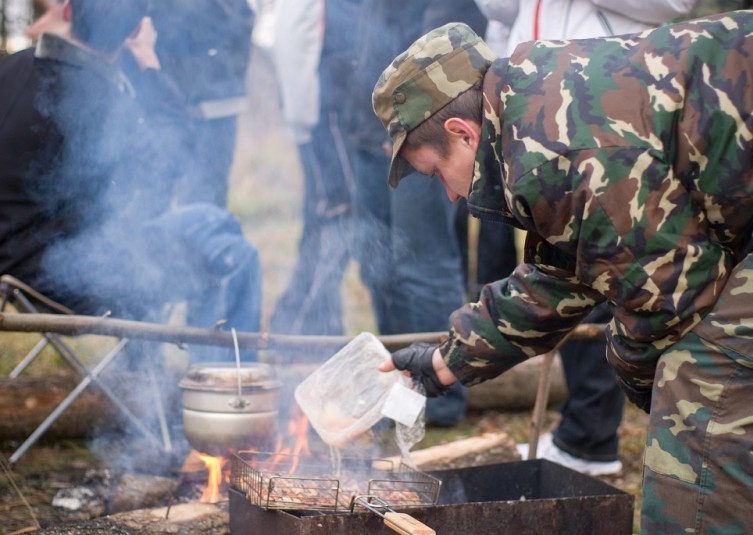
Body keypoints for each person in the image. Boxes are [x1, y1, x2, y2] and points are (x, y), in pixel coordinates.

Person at [373, 12, 753, 534]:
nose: (449, 194)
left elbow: (668, 307)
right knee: (743, 382)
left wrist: (647, 389)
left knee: (704, 387)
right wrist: (445, 362)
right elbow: (563, 274)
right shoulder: (535, 104)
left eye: (437, 173)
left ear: (462, 133)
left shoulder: (556, 152)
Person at [470, 0, 699, 476]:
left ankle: (594, 438)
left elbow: (677, 4)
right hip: (540, 107)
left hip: (612, 96)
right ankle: (583, 431)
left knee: (608, 278)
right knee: (567, 271)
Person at [0, 0, 262, 364]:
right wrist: (150, 65)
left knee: (214, 220)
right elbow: (163, 177)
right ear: (135, 32)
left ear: (66, 11)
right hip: (70, 278)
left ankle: (145, 380)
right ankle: (216, 399)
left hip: (13, 265)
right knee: (234, 256)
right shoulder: (101, 100)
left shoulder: (11, 70)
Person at [347, 0, 487, 426]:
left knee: (423, 263)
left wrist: (416, 115)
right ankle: (402, 385)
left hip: (427, 115)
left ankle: (439, 396)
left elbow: (453, 16)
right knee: (382, 266)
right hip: (375, 121)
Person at [267, 0, 357, 339]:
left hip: (325, 109)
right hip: (324, 112)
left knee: (328, 216)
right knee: (336, 215)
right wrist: (303, 115)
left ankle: (314, 324)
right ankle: (304, 327)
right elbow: (292, 36)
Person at [146, 0, 256, 208]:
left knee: (206, 200)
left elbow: (234, 21)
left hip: (214, 104)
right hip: (171, 102)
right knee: (157, 194)